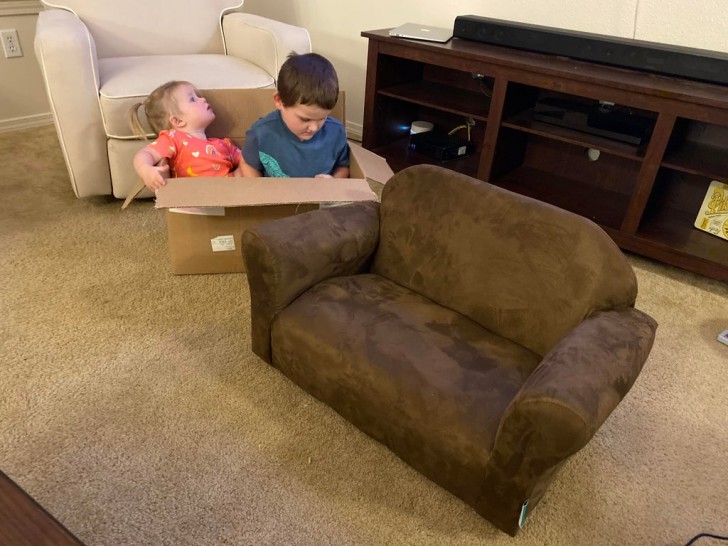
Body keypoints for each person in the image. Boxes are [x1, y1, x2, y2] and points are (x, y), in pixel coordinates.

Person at [241, 53, 350, 179]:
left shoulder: (336, 133)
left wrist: (335, 180)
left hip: (321, 195)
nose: (314, 128)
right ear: (279, 101)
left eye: (322, 118)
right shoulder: (261, 133)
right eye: (305, 119)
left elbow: (343, 167)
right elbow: (248, 164)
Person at [130, 80, 243, 191]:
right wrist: (145, 170)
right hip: (194, 198)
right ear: (177, 121)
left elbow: (247, 159)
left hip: (230, 194)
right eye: (193, 99)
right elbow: (146, 153)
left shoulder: (224, 144)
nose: (203, 99)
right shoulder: (174, 138)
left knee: (248, 164)